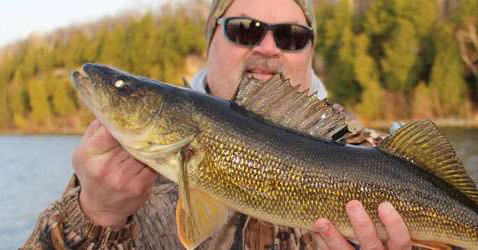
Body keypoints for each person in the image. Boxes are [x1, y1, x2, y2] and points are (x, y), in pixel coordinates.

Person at [22, 0, 415, 249]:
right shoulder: (114, 178)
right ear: (210, 42)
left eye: (292, 37)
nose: (267, 47)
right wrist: (96, 216)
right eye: (244, 30)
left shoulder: (382, 155)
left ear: (311, 53)